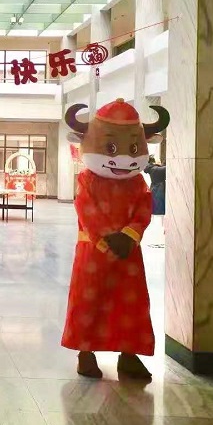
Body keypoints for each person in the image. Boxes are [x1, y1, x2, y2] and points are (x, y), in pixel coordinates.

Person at [61, 99, 169, 380]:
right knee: (89, 302)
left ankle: (129, 355)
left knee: (130, 305)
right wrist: (109, 239)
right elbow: (86, 211)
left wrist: (129, 236)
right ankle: (85, 353)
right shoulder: (87, 180)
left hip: (128, 252)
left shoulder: (138, 182)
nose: (123, 158)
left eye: (132, 149)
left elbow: (144, 209)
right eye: (110, 147)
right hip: (94, 251)